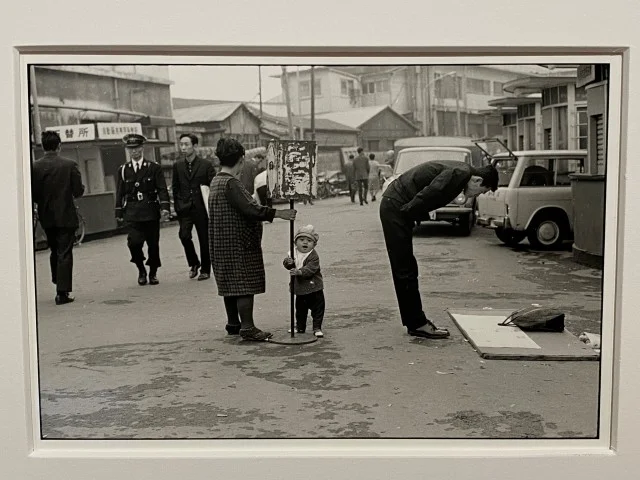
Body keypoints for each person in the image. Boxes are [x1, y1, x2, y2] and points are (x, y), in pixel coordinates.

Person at [379, 160, 499, 338]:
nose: (476, 196)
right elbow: (432, 191)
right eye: (481, 192)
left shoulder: (462, 172)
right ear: (478, 181)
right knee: (405, 268)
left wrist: (411, 213)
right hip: (397, 206)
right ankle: (417, 324)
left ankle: (414, 322)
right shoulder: (461, 173)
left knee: (405, 267)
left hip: (395, 204)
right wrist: (408, 211)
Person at [209, 137, 297, 341]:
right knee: (243, 283)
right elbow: (250, 209)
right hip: (238, 242)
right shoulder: (232, 183)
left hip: (221, 241)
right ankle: (247, 327)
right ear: (241, 160)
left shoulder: (216, 181)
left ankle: (233, 323)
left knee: (229, 283)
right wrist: (279, 213)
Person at [31, 130, 85, 305]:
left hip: (46, 217)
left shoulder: (35, 167)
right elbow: (78, 191)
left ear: (43, 146)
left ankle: (57, 278)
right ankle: (62, 292)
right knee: (64, 252)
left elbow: (33, 193)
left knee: (54, 250)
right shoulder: (69, 165)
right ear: (59, 146)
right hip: (66, 215)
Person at [115, 133, 170, 286]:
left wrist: (165, 207)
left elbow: (162, 189)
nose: (134, 152)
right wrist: (118, 210)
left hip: (150, 211)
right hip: (132, 212)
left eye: (137, 148)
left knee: (153, 244)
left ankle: (152, 272)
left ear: (142, 148)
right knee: (133, 243)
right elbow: (120, 191)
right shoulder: (124, 169)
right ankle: (141, 269)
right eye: (131, 149)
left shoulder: (153, 167)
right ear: (128, 150)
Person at [172, 133, 216, 280]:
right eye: (181, 144)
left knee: (204, 239)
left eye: (186, 144)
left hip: (201, 208)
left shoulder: (206, 165)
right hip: (184, 208)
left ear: (195, 146)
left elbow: (213, 187)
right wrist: (178, 205)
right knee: (184, 236)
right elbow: (175, 187)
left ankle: (205, 269)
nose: (183, 147)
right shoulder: (177, 166)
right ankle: (194, 263)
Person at [283, 225, 325, 338]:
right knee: (300, 310)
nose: (305, 243)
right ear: (295, 242)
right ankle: (300, 326)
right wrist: (288, 262)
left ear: (314, 244)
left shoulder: (313, 255)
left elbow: (311, 268)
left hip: (314, 288)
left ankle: (317, 327)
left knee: (317, 309)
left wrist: (300, 272)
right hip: (300, 288)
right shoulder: (293, 253)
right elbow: (288, 266)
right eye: (301, 240)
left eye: (309, 241)